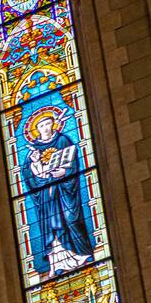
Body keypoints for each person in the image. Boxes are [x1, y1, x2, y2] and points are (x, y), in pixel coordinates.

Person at [22, 110, 93, 278]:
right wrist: (35, 163)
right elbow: (28, 175)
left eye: (48, 123)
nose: (45, 127)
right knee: (51, 227)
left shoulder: (62, 140)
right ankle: (57, 265)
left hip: (65, 191)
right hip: (47, 195)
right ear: (36, 128)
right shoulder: (34, 149)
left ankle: (79, 255)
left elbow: (73, 161)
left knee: (70, 218)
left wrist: (65, 172)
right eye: (41, 125)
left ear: (53, 123)